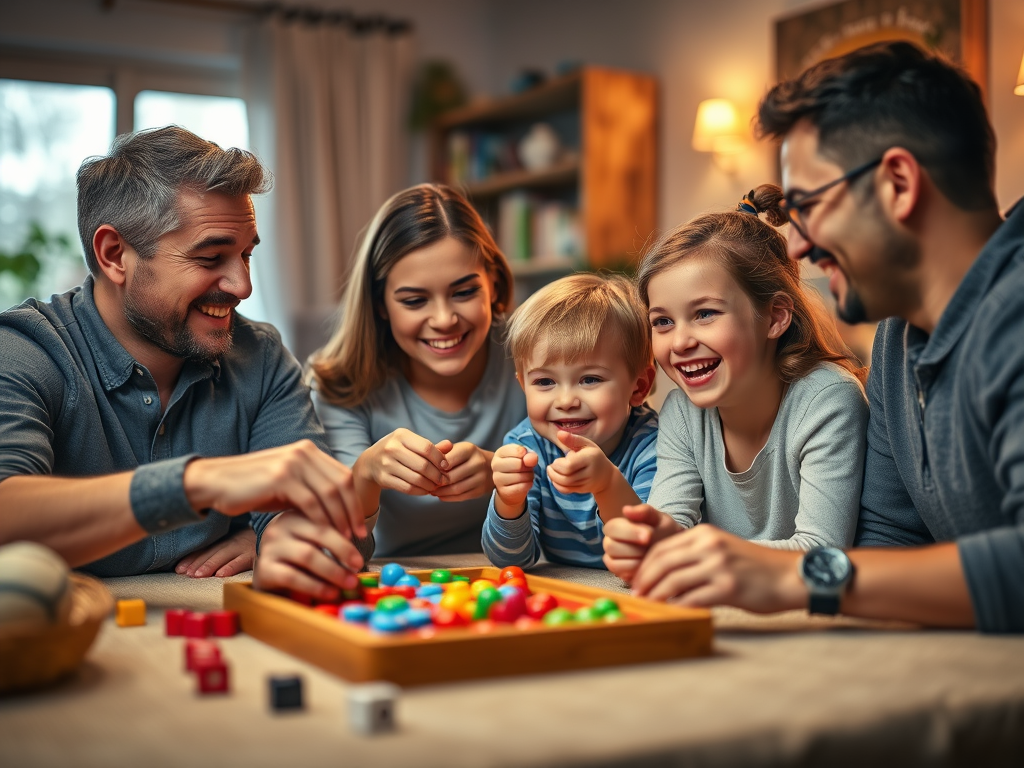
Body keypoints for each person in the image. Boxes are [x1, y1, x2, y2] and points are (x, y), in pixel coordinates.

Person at [607, 41, 1023, 633]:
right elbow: (886, 545)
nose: (797, 245)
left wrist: (790, 575)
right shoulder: (897, 341)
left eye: (810, 204)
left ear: (898, 184)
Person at [0, 126, 366, 598]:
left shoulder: (261, 357)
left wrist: (281, 538)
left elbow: (322, 522)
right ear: (115, 255)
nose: (242, 286)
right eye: (211, 257)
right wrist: (195, 484)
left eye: (246, 255)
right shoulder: (25, 350)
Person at [602, 186, 867, 584]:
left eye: (705, 313)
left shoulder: (828, 401)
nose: (680, 342)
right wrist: (647, 545)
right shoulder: (683, 413)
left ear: (775, 317)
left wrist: (686, 554)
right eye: (663, 321)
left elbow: (822, 552)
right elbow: (668, 527)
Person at [306, 183, 526, 558]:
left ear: (492, 283)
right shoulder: (340, 383)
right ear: (380, 304)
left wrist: (502, 471)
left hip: (506, 573)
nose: (444, 319)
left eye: (464, 292)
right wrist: (366, 473)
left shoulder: (532, 353)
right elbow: (335, 549)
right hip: (394, 579)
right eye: (414, 300)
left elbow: (583, 486)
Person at [483, 273, 658, 568]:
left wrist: (607, 484)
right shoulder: (526, 446)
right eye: (545, 382)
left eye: (590, 379)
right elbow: (512, 561)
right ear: (523, 386)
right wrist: (509, 501)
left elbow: (650, 557)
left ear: (639, 386)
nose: (565, 401)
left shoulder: (654, 446)